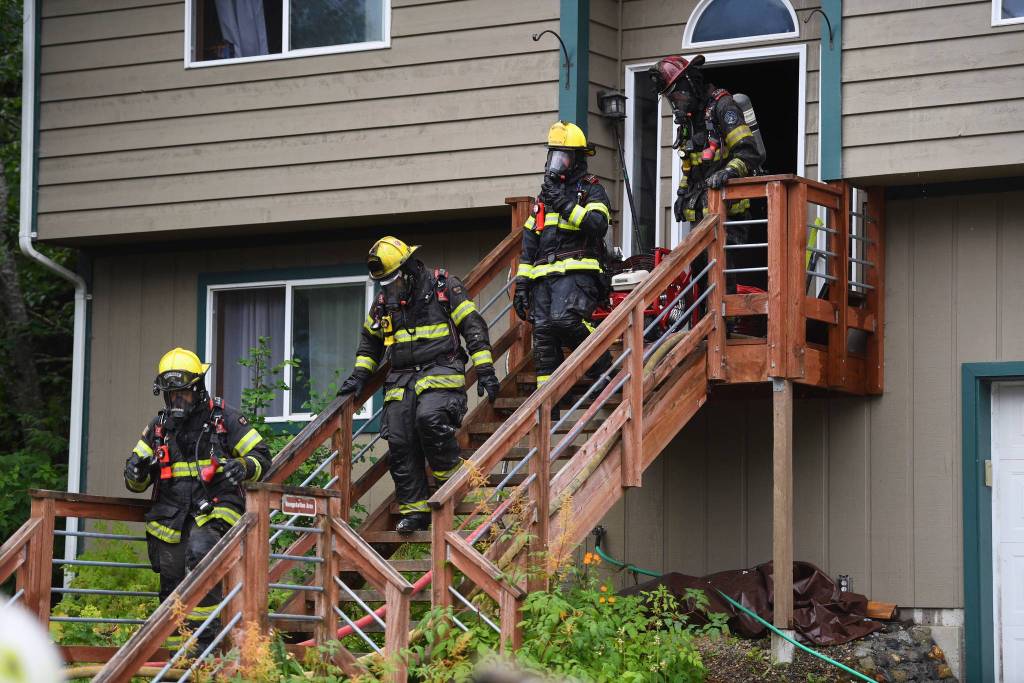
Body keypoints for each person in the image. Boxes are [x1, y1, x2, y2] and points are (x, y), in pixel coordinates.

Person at [337, 237, 500, 534]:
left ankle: (449, 487)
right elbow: (370, 343)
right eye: (383, 284)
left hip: (441, 370)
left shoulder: (443, 286)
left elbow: (472, 325)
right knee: (399, 438)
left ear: (409, 268)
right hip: (401, 379)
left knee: (430, 419)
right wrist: (360, 375)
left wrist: (485, 369)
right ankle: (415, 511)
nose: (388, 289)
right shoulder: (385, 302)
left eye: (393, 281)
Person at [123, 348, 270, 649]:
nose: (177, 401)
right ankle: (178, 656)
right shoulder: (159, 428)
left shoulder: (225, 419)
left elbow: (262, 456)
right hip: (171, 516)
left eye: (183, 394)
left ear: (198, 389)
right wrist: (136, 472)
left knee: (202, 552)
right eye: (171, 395)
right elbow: (134, 481)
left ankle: (206, 646)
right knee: (171, 580)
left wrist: (242, 467)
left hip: (216, 510)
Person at [649, 54, 766, 293]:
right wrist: (683, 193)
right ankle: (702, 326)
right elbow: (691, 167)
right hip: (701, 215)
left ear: (690, 83)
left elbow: (748, 153)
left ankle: (726, 326)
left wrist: (727, 173)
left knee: (722, 273)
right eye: (671, 98)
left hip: (729, 214)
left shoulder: (723, 107)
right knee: (700, 276)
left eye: (677, 94)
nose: (676, 102)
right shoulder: (690, 122)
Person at [513, 121, 613, 396]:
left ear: (577, 159)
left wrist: (566, 205)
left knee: (564, 320)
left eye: (563, 156)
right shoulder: (543, 198)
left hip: (579, 273)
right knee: (544, 336)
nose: (556, 162)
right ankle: (548, 405)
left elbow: (598, 224)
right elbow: (529, 244)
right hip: (544, 279)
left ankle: (601, 366)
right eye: (553, 155)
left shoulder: (591, 189)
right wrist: (522, 285)